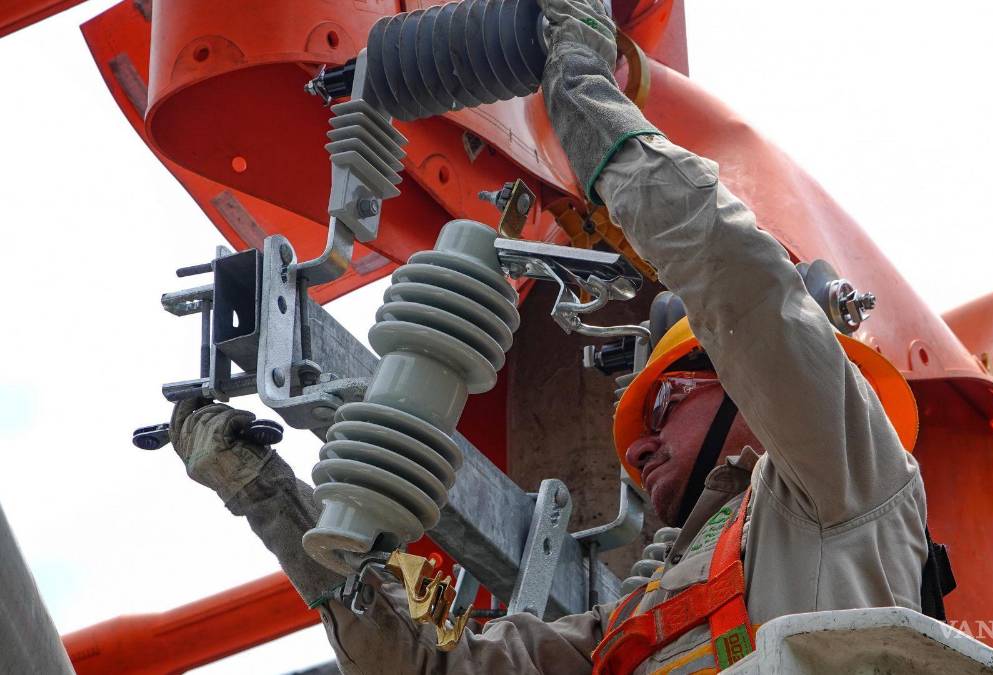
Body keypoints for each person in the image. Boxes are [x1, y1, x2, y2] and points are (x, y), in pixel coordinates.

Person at [166, 1, 939, 672]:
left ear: (741, 379)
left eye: (663, 402)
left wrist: (588, 106)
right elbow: (432, 668)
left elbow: (737, 276)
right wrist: (268, 495)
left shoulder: (847, 480)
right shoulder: (632, 619)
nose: (637, 450)